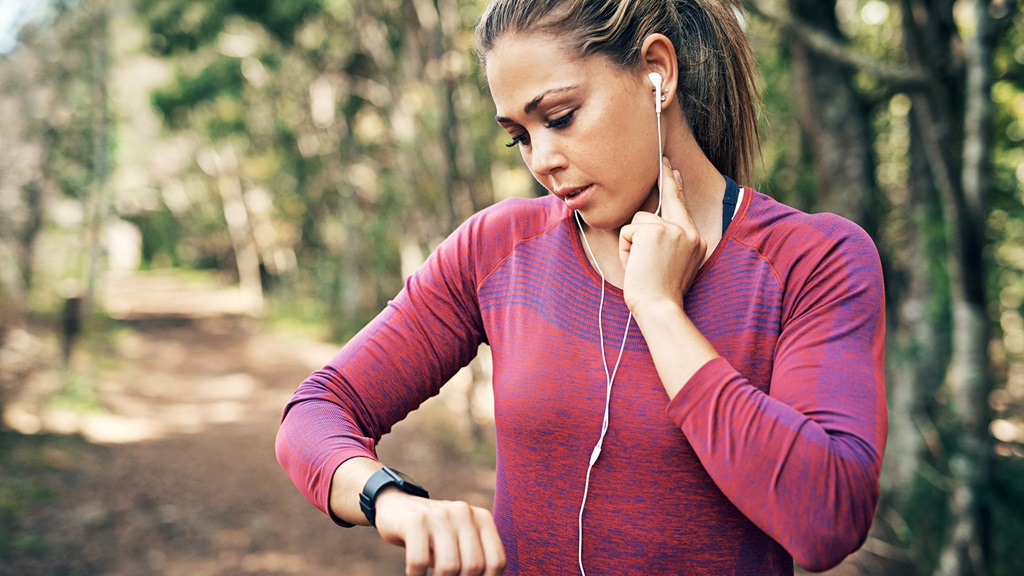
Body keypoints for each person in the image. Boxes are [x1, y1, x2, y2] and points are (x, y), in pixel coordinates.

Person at [275, 0, 887, 574]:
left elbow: (827, 517)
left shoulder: (813, 259)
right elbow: (316, 411)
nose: (541, 159)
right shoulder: (498, 250)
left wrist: (658, 308)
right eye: (519, 136)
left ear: (656, 72)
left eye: (560, 117)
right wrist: (392, 501)